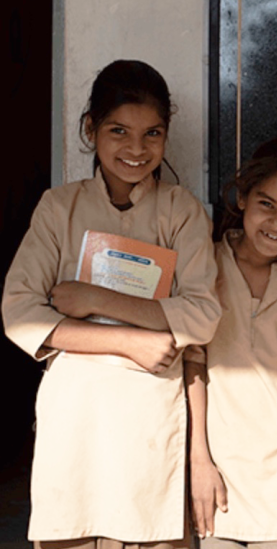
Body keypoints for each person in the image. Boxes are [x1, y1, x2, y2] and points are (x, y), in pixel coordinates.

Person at [2, 59, 222, 549]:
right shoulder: (60, 208)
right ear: (90, 129)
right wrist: (129, 341)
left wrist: (94, 299)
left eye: (152, 134)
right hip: (76, 417)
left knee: (148, 532)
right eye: (119, 130)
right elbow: (20, 312)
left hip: (149, 418)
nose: (136, 149)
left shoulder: (181, 210)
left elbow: (202, 314)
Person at [184, 137, 277, 549]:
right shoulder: (206, 262)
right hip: (218, 473)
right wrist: (199, 459)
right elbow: (192, 362)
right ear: (243, 199)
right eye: (266, 204)